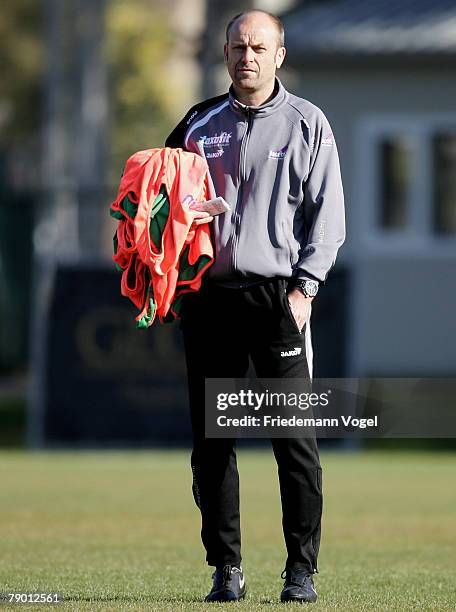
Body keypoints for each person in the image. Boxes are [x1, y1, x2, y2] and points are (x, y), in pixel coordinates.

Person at [165, 9, 345, 604]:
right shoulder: (196, 124)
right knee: (213, 443)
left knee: (294, 441)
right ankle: (226, 567)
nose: (248, 56)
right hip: (211, 298)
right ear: (224, 53)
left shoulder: (309, 124)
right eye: (239, 46)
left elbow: (329, 221)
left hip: (278, 302)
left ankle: (302, 570)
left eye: (259, 47)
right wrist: (169, 267)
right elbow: (155, 209)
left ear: (280, 54)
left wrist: (305, 291)